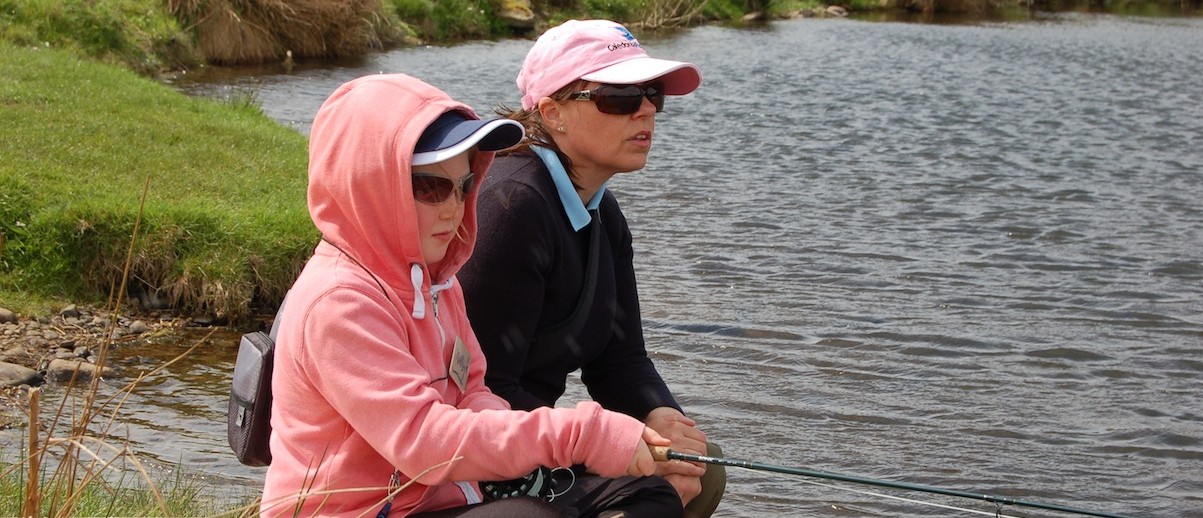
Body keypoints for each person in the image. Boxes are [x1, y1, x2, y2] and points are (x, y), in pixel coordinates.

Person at [261, 73, 684, 518]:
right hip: (362, 511)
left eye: (464, 186)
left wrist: (543, 437)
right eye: (430, 187)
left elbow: (473, 393)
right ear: (369, 186)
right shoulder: (339, 302)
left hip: (443, 499)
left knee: (648, 495)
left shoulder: (438, 282)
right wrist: (581, 435)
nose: (454, 208)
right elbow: (424, 442)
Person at [458, 19, 726, 518]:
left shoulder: (602, 212)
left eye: (652, 94)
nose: (646, 109)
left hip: (532, 436)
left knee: (701, 468)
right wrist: (610, 450)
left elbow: (619, 361)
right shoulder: (512, 207)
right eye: (619, 97)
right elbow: (483, 393)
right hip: (478, 456)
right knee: (654, 494)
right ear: (554, 111)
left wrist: (660, 417)